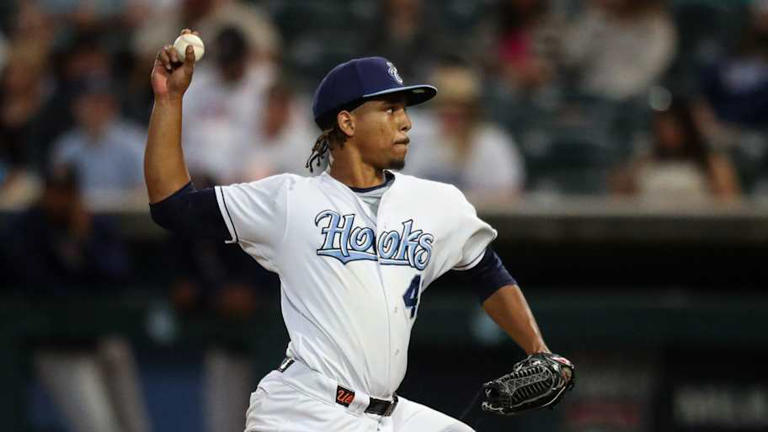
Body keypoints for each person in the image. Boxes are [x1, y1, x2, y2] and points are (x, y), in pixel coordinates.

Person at [145, 29, 567, 431]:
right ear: (347, 123)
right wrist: (169, 101)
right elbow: (173, 207)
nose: (407, 123)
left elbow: (487, 270)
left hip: (388, 415)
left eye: (404, 110)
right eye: (389, 109)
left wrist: (539, 350)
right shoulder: (291, 201)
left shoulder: (438, 204)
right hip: (303, 411)